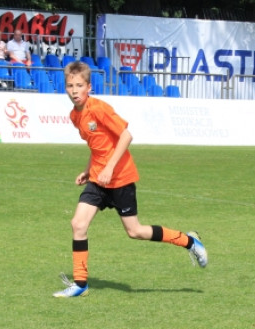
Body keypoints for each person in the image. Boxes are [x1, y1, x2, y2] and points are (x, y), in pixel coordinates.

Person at [54, 61, 208, 298]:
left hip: (120, 178)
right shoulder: (75, 116)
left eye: (79, 85)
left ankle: (189, 241)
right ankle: (80, 284)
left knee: (135, 231)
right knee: (78, 224)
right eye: (70, 86)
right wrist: (88, 170)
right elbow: (96, 146)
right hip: (98, 180)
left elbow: (126, 136)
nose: (74, 91)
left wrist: (110, 168)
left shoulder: (99, 109)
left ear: (89, 87)